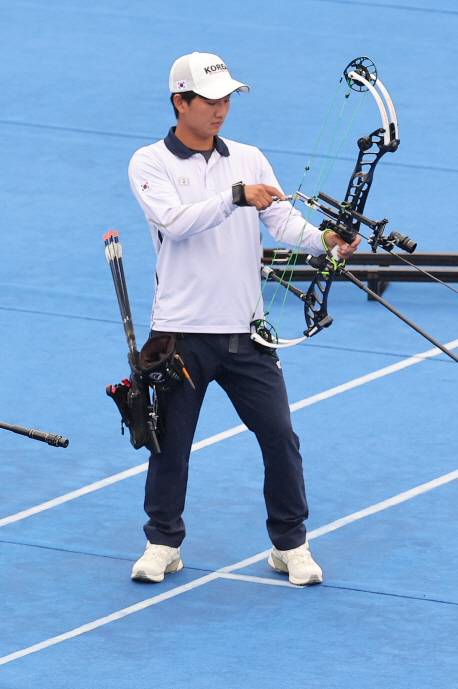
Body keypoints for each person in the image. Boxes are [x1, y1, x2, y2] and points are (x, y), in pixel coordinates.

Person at [125, 52, 358, 587]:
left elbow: (282, 221)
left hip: (246, 332)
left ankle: (290, 545)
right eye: (210, 100)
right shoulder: (150, 163)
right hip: (182, 333)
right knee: (171, 444)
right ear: (180, 101)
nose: (221, 109)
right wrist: (235, 198)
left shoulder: (249, 157)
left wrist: (325, 241)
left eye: (227, 98)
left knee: (279, 436)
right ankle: (162, 542)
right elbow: (175, 222)